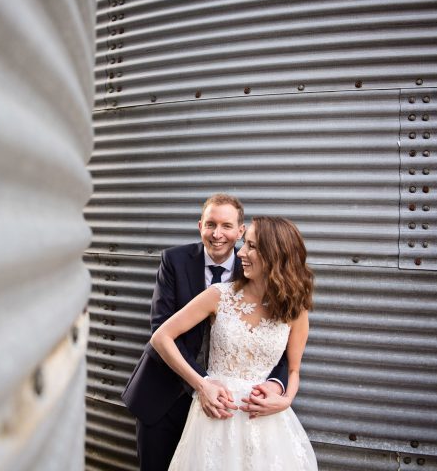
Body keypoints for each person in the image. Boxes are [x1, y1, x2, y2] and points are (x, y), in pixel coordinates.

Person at [121, 195, 289, 471]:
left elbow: (278, 341)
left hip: (225, 410)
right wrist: (203, 383)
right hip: (165, 393)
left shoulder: (254, 266)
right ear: (200, 226)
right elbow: (161, 328)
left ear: (240, 230)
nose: (217, 234)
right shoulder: (174, 260)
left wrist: (276, 385)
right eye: (210, 224)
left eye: (226, 225)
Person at [150, 216, 317, 470]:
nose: (241, 253)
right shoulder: (219, 295)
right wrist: (202, 384)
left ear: (275, 254)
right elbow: (161, 337)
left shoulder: (295, 309)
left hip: (265, 424)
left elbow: (293, 369)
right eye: (245, 244)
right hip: (214, 419)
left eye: (251, 246)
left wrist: (285, 399)